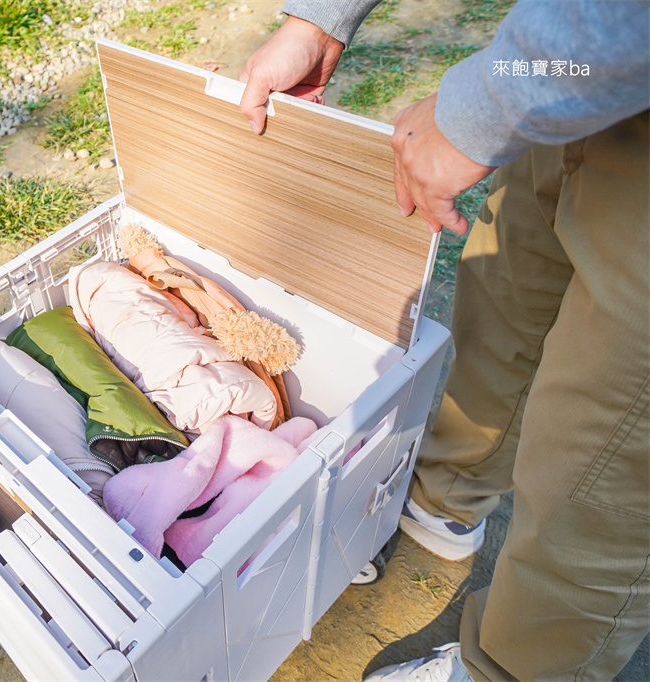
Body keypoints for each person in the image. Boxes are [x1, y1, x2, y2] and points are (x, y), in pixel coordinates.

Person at [239, 1, 649, 680]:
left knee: (603, 461)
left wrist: (487, 103)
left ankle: (507, 670)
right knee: (507, 301)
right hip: (575, 49)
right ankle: (448, 502)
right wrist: (318, 21)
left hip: (598, 41)